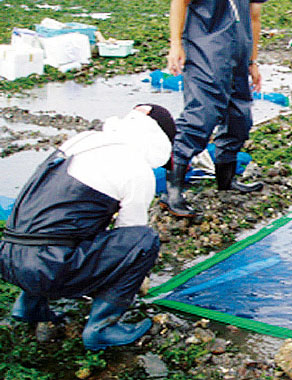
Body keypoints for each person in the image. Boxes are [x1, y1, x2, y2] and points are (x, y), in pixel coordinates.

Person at [0, 105, 175, 350]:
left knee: (60, 226)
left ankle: (29, 305)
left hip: (8, 257)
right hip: (47, 268)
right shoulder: (136, 168)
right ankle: (102, 328)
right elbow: (130, 236)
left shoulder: (83, 141)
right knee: (145, 240)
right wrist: (133, 282)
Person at [163, 0, 266, 218]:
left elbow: (254, 16)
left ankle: (226, 182)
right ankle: (172, 192)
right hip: (206, 51)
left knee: (240, 118)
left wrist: (252, 60)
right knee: (202, 115)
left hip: (239, 55)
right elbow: (179, 2)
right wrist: (175, 44)